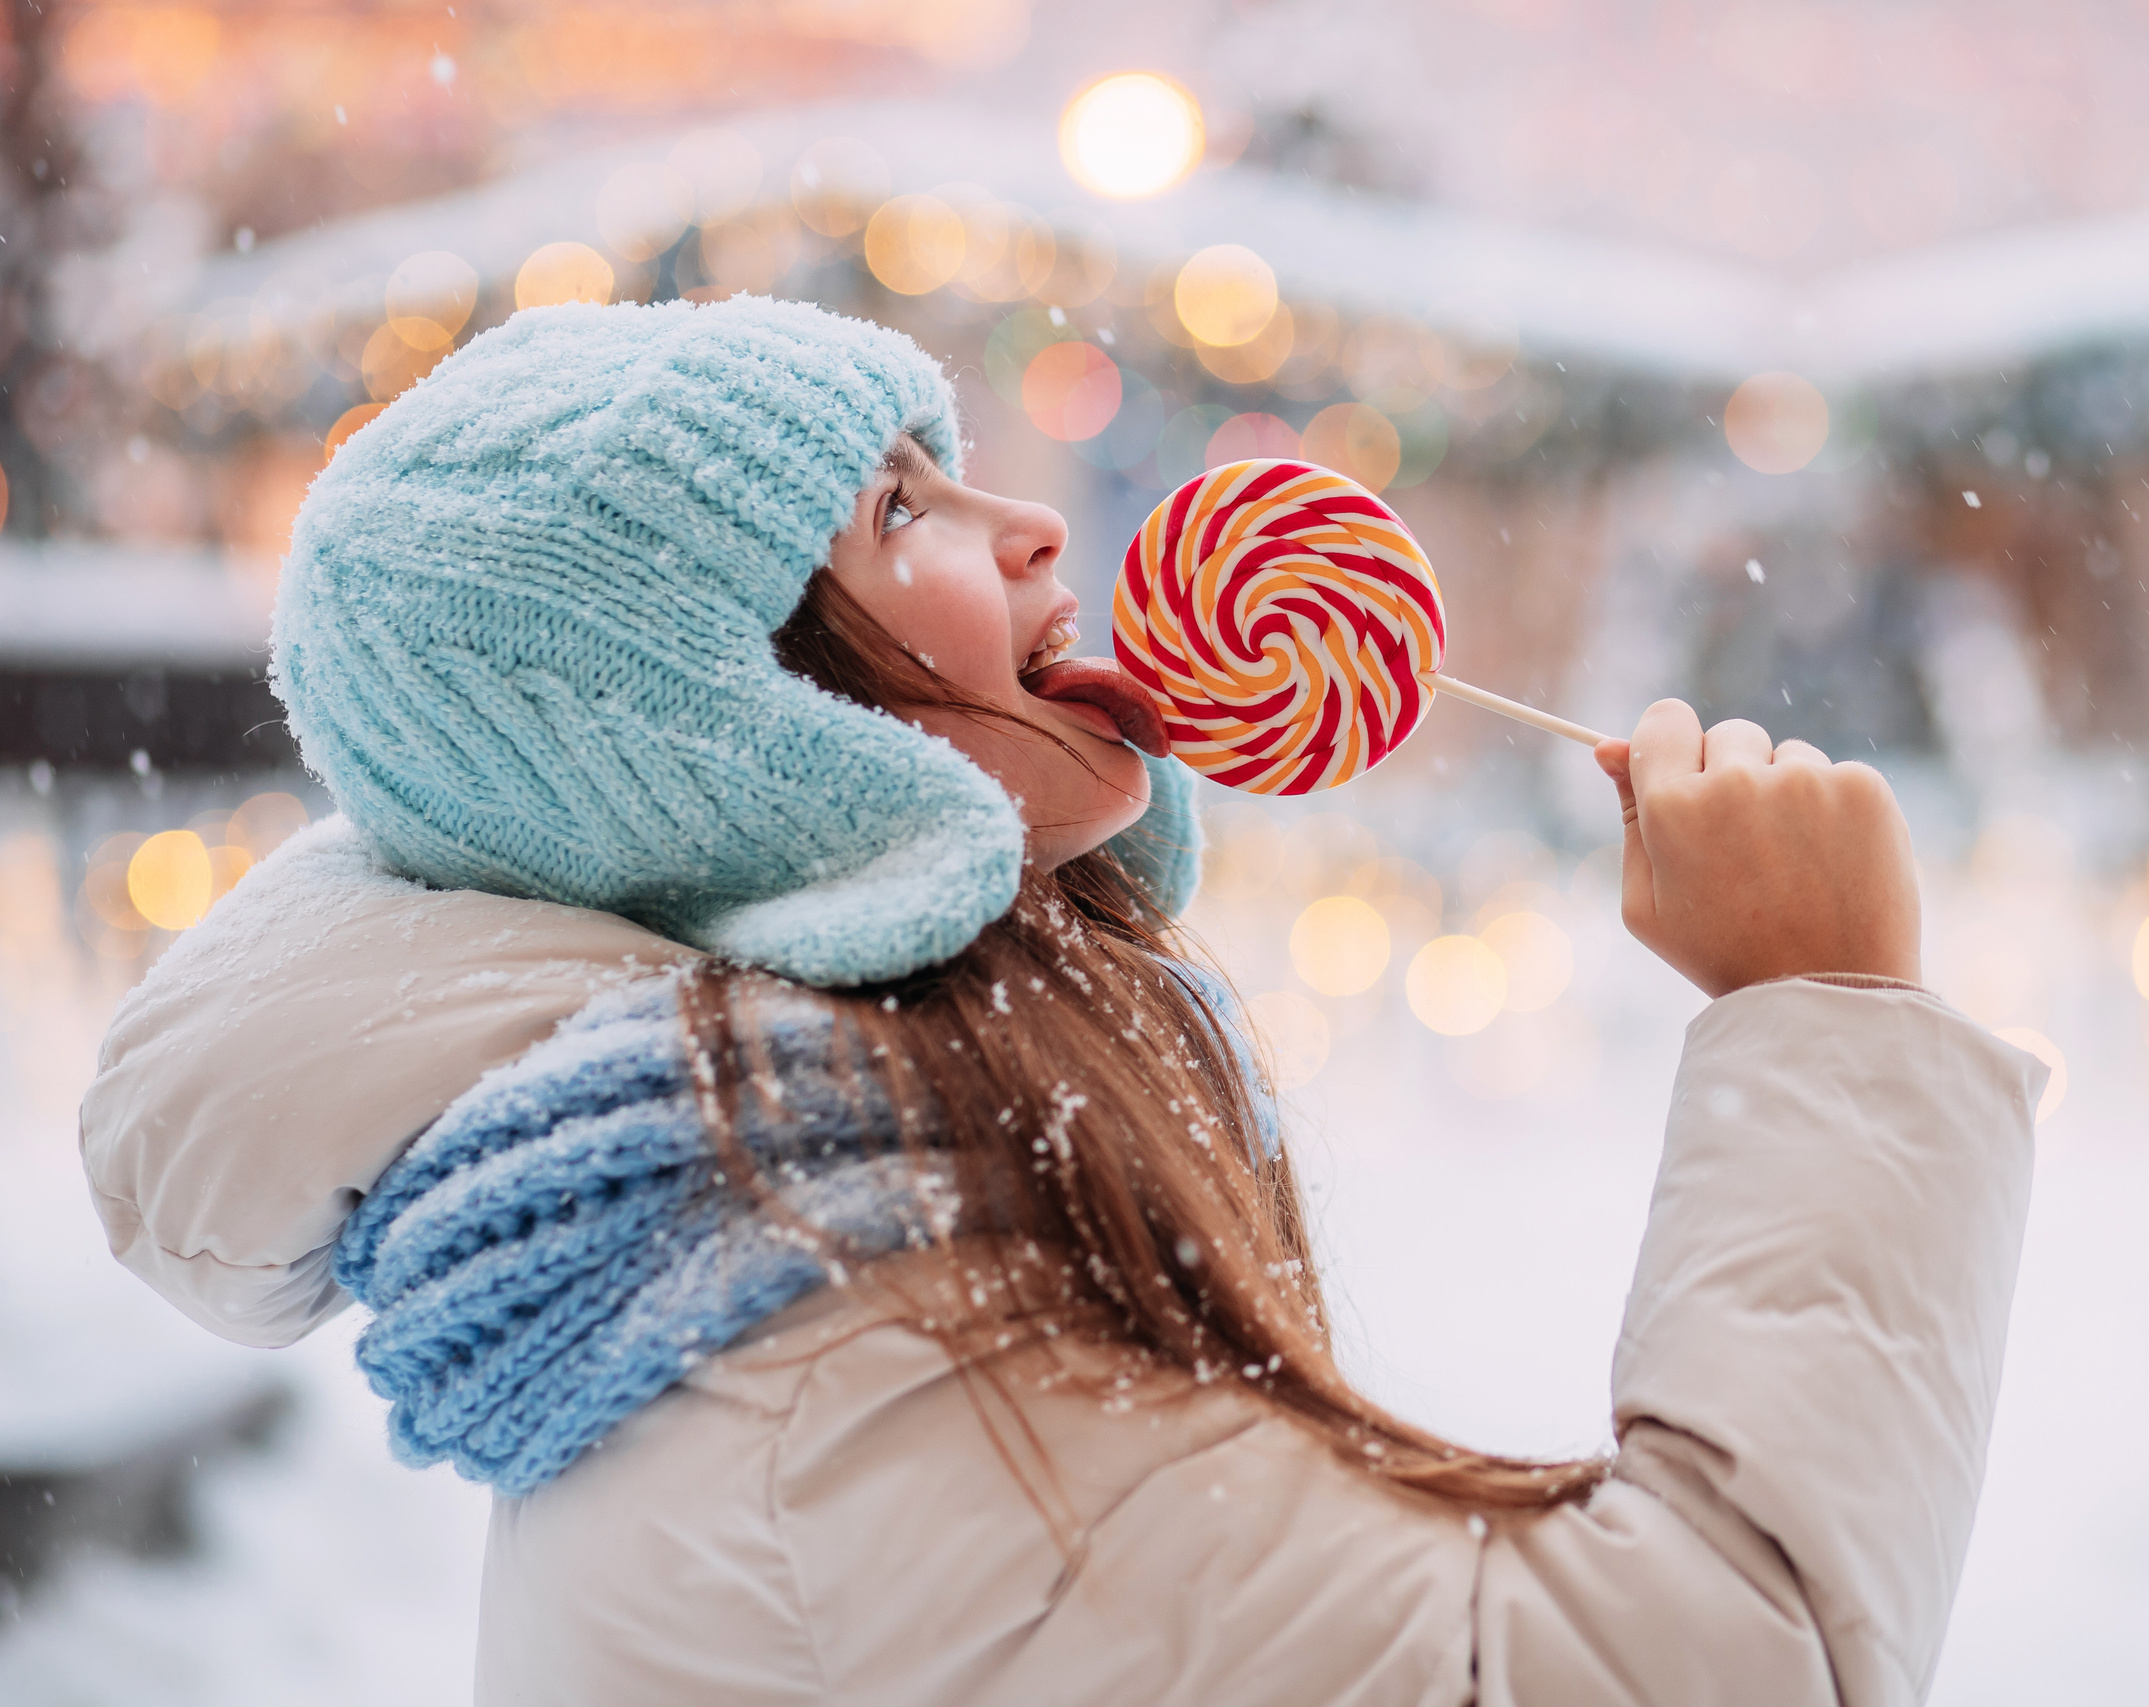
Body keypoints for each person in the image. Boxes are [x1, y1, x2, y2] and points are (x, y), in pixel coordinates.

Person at [82, 297, 2041, 1706]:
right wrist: (1826, 1011)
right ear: (730, 750)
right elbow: (1716, 1665)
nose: (1025, 525)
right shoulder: (844, 1325)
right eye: (892, 515)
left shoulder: (792, 1198)